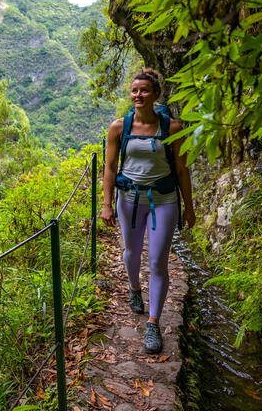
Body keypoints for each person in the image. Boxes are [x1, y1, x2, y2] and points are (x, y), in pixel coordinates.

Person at [100, 68, 195, 354]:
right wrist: (106, 204)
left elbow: (181, 168)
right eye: (134, 90)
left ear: (155, 95)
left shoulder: (173, 129)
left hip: (163, 200)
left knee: (157, 261)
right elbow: (110, 167)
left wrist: (189, 207)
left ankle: (153, 323)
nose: (138, 95)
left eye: (143, 90)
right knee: (131, 252)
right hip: (129, 199)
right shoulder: (119, 127)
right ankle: (134, 288)